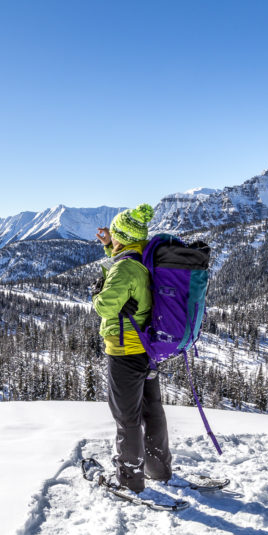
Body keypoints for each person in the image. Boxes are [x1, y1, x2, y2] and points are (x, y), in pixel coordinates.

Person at [91, 203, 172, 493]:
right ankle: (159, 470)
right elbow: (126, 268)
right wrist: (108, 247)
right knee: (153, 410)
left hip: (124, 351)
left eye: (114, 235)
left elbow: (105, 306)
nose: (111, 238)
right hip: (147, 350)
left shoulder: (124, 268)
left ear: (122, 237)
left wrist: (97, 292)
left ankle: (129, 480)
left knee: (126, 417)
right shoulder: (142, 260)